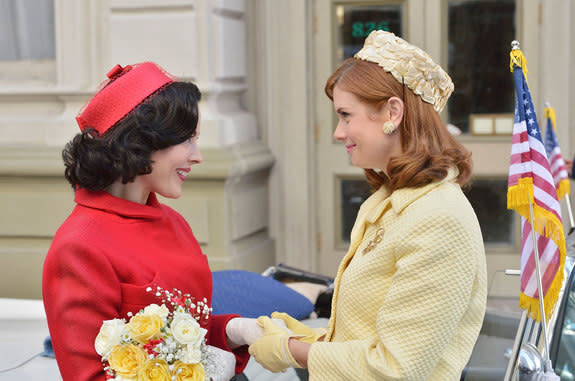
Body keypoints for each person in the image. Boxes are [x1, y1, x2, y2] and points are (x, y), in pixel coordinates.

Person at [248, 30, 487, 380]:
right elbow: (368, 334)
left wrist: (293, 351)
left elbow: (397, 368)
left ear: (393, 111)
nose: (338, 132)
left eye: (346, 115)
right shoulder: (389, 201)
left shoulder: (439, 218)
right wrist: (308, 336)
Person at [42, 62, 260, 381]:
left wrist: (231, 331)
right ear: (140, 142)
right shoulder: (78, 247)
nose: (197, 156)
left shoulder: (174, 223)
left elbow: (183, 339)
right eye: (186, 140)